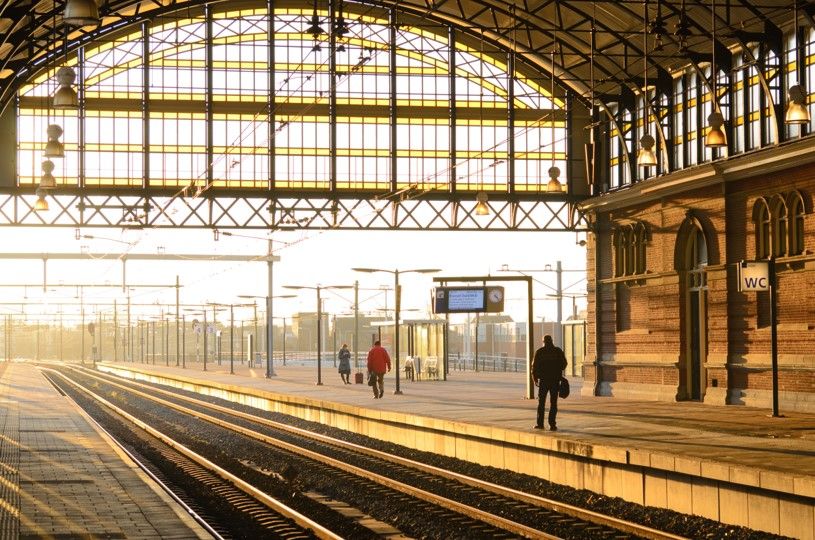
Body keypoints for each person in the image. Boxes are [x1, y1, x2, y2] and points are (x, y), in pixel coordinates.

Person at [531, 334, 567, 431]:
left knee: (541, 403)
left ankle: (540, 424)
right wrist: (557, 370)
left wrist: (535, 379)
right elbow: (564, 364)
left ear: (544, 342)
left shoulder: (540, 352)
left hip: (544, 381)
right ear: (552, 341)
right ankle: (552, 424)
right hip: (555, 380)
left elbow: (534, 367)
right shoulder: (558, 351)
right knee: (553, 403)